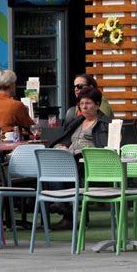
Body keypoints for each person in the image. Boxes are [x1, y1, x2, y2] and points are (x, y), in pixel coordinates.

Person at [49, 86, 112, 229]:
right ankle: (63, 206)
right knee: (50, 160)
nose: (84, 106)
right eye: (82, 103)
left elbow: (104, 147)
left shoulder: (104, 124)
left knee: (63, 164)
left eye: (88, 103)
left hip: (88, 162)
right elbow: (65, 139)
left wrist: (79, 151)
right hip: (70, 159)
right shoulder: (77, 121)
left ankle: (61, 203)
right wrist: (60, 146)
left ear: (97, 105)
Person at [0, 69, 35, 134]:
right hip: (12, 142)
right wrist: (25, 112)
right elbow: (32, 129)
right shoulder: (16, 105)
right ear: (11, 85)